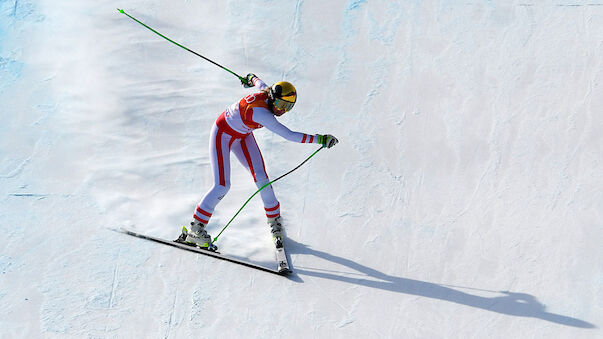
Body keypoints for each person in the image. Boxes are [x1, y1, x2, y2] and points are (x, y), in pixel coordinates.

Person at [178, 74, 338, 251]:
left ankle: (274, 221)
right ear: (272, 98)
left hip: (242, 135)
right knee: (222, 185)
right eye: (281, 105)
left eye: (288, 107)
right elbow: (288, 134)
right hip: (222, 135)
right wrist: (320, 139)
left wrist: (252, 78)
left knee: (261, 178)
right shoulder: (261, 112)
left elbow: (260, 84)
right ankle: (195, 230)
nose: (282, 110)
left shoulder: (268, 93)